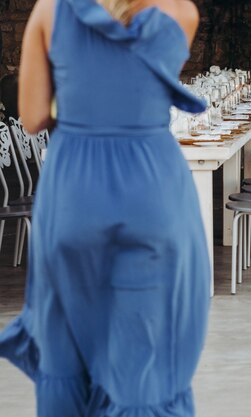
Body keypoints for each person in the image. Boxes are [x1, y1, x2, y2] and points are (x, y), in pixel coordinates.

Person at [0, 0, 211, 415]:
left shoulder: (50, 11)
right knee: (144, 348)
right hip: (152, 189)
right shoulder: (181, 14)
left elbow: (33, 116)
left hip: (76, 188)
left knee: (68, 338)